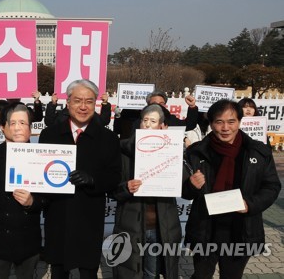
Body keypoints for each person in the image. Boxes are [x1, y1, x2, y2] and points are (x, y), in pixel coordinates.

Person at [182, 99, 281, 278]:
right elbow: (183, 191)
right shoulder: (195, 152)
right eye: (219, 122)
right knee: (201, 275)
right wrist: (191, 185)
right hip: (206, 228)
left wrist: (249, 204)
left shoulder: (258, 151)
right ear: (211, 124)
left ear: (239, 122)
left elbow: (272, 186)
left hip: (241, 229)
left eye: (231, 121)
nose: (225, 128)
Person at [39, 79, 121, 278]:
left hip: (89, 215)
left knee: (88, 270)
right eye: (77, 101)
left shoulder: (108, 138)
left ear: (96, 104)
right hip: (58, 212)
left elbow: (114, 176)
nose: (83, 107)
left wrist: (92, 180)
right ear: (67, 103)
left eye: (89, 101)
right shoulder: (49, 135)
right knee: (58, 270)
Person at [0, 102, 48, 279]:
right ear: (2, 127)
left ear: (30, 127)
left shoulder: (41, 156)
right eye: (12, 123)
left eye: (23, 123)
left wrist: (33, 202)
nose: (18, 128)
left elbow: (49, 198)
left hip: (28, 240)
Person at [112, 104, 181, 279]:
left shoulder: (172, 151)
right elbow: (111, 190)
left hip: (161, 227)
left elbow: (185, 186)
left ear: (162, 126)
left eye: (153, 121)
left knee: (152, 272)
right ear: (139, 123)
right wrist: (125, 187)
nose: (148, 125)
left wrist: (193, 182)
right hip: (132, 224)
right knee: (129, 272)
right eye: (145, 120)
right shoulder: (122, 151)